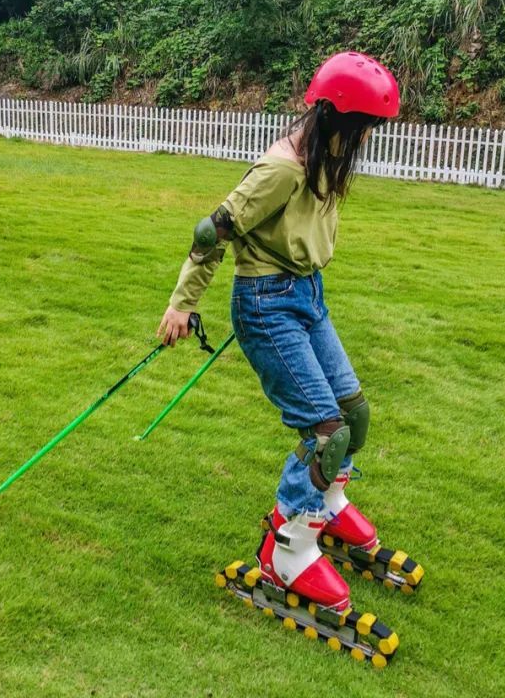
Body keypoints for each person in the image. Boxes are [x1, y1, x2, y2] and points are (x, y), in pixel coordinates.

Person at [157, 52, 404, 613]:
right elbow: (211, 229)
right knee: (327, 432)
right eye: (363, 126)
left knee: (354, 416)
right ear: (337, 116)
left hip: (306, 295)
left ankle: (329, 504)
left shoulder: (328, 151)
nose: (366, 137)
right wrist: (181, 304)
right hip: (267, 303)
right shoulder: (285, 168)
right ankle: (286, 550)